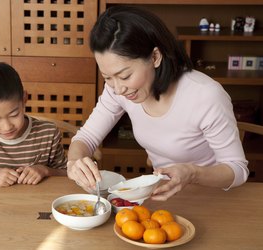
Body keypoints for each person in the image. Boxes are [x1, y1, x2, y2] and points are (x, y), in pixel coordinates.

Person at [66, 6, 249, 201]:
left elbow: (237, 170)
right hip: (164, 196)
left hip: (212, 198)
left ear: (155, 57)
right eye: (107, 77)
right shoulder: (117, 89)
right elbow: (86, 137)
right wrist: (74, 162)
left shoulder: (205, 96)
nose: (117, 88)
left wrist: (192, 173)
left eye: (125, 76)